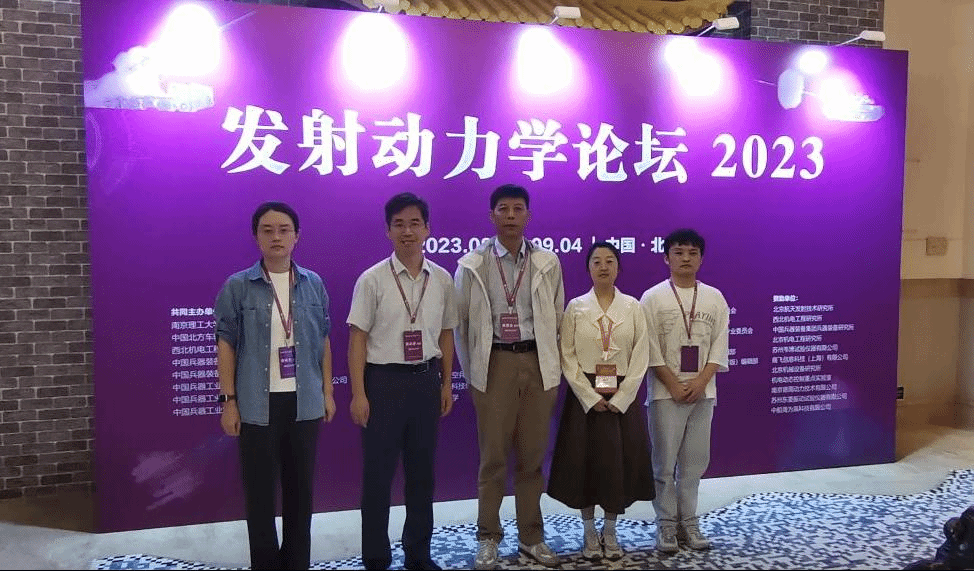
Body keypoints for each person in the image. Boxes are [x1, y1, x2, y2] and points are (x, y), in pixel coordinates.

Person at [214, 201, 335, 570]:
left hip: (304, 403)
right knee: (260, 496)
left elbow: (324, 340)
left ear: (297, 236)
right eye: (267, 230)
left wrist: (328, 392)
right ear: (256, 237)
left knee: (301, 494)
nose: (276, 237)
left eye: (284, 230)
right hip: (256, 405)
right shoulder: (238, 286)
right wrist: (229, 400)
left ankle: (297, 563)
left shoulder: (314, 283)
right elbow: (225, 343)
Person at [454, 184, 565, 570]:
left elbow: (558, 316)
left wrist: (552, 367)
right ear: (492, 216)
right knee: (493, 459)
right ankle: (488, 537)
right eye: (504, 209)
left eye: (518, 209)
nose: (512, 215)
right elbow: (461, 324)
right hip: (495, 364)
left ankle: (532, 537)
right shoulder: (472, 264)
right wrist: (475, 374)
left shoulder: (548, 262)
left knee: (532, 458)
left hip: (537, 363)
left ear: (528, 216)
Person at [347, 192, 458, 571]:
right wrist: (359, 393)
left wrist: (446, 384)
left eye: (414, 224)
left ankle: (418, 554)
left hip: (425, 382)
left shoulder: (442, 279)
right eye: (399, 224)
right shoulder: (372, 279)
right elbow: (358, 339)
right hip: (383, 384)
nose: (407, 231)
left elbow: (446, 333)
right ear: (388, 231)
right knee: (377, 477)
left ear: (427, 229)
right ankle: (376, 557)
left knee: (422, 475)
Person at [547, 241, 655, 561]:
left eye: (610, 261)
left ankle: (610, 529)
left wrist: (623, 397)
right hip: (585, 397)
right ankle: (588, 530)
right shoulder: (576, 307)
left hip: (621, 396)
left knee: (617, 465)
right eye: (597, 261)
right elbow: (566, 355)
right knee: (584, 463)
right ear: (588, 268)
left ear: (618, 267)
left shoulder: (633, 307)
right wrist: (588, 395)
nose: (604, 266)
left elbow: (641, 355)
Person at [640, 228, 729, 553]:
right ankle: (666, 524)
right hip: (666, 394)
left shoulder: (715, 297)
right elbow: (649, 347)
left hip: (703, 393)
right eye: (678, 252)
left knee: (694, 464)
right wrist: (673, 383)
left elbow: (720, 344)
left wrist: (702, 381)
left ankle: (688, 521)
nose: (686, 258)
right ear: (667, 258)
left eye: (692, 253)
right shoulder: (652, 298)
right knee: (663, 464)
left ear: (701, 259)